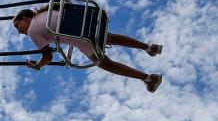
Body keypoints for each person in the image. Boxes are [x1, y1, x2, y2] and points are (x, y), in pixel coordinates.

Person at [12, 5, 164, 92]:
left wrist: (37, 66)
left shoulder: (33, 31)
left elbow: (48, 57)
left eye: (18, 27)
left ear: (25, 19)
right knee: (110, 38)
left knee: (105, 64)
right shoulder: (48, 10)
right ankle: (149, 47)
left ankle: (149, 78)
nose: (20, 32)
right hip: (88, 24)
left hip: (81, 37)